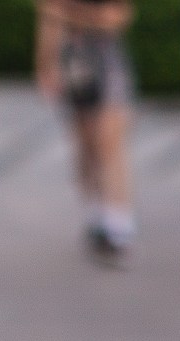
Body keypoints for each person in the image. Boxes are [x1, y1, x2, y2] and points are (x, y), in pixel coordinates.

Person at [35, 0, 139, 265]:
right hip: (74, 61)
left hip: (108, 62)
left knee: (111, 143)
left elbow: (116, 18)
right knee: (86, 145)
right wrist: (46, 66)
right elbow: (47, 20)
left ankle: (118, 221)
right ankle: (97, 210)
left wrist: (70, 15)